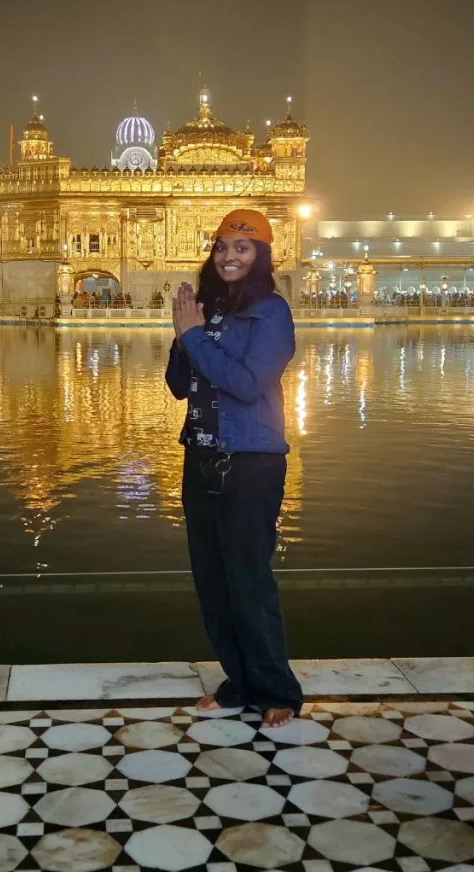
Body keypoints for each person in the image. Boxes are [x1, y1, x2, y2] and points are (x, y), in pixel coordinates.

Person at [165, 208, 303, 729]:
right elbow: (180, 385)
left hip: (250, 462)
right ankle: (238, 681)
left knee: (248, 578)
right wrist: (183, 334)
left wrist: (195, 336)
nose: (229, 256)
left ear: (261, 256)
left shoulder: (271, 314)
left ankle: (276, 688)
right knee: (213, 579)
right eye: (222, 247)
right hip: (201, 457)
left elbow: (247, 383)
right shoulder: (209, 311)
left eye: (242, 248)